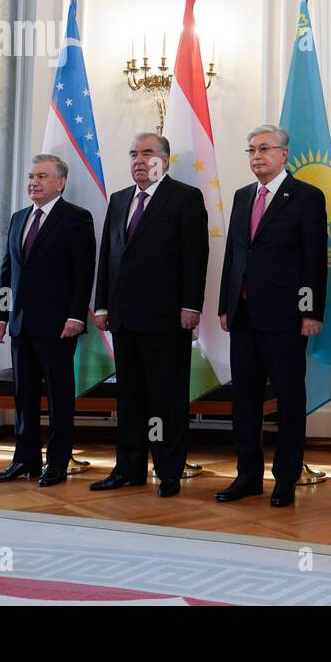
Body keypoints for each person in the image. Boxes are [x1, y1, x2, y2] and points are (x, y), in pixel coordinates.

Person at [90, 133, 208, 498]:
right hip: (123, 318)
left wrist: (192, 306)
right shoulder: (119, 199)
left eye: (147, 153)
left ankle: (169, 469)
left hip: (166, 319)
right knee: (129, 398)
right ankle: (128, 467)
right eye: (133, 153)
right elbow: (108, 257)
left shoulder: (186, 198)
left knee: (166, 399)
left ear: (165, 160)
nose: (138, 159)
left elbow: (195, 256)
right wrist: (103, 305)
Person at [216, 125, 327, 508]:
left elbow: (314, 261)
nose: (256, 156)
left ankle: (286, 478)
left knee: (288, 400)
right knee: (244, 400)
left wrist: (310, 311)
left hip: (286, 316)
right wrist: (225, 305)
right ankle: (247, 475)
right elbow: (234, 255)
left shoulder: (306, 197)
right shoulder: (242, 196)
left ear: (284, 154)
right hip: (243, 315)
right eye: (251, 150)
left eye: (264, 149)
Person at [0, 154, 95, 487]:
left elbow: (83, 273)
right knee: (24, 395)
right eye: (31, 175)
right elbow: (8, 270)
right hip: (20, 324)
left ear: (60, 182)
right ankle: (25, 459)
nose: (34, 182)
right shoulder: (19, 218)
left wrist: (76, 315)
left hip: (58, 325)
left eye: (42, 176)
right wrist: (1, 315)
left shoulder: (76, 218)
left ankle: (58, 462)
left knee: (60, 396)